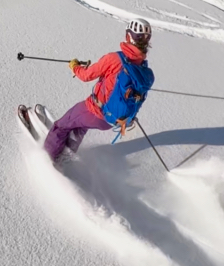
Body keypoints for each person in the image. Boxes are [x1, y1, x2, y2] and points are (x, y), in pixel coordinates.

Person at [42, 19, 154, 162]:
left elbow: (86, 75)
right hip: (112, 120)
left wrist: (75, 67)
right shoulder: (144, 70)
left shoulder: (114, 59)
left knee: (61, 126)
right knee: (80, 127)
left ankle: (46, 159)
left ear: (128, 36)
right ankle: (65, 156)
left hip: (95, 111)